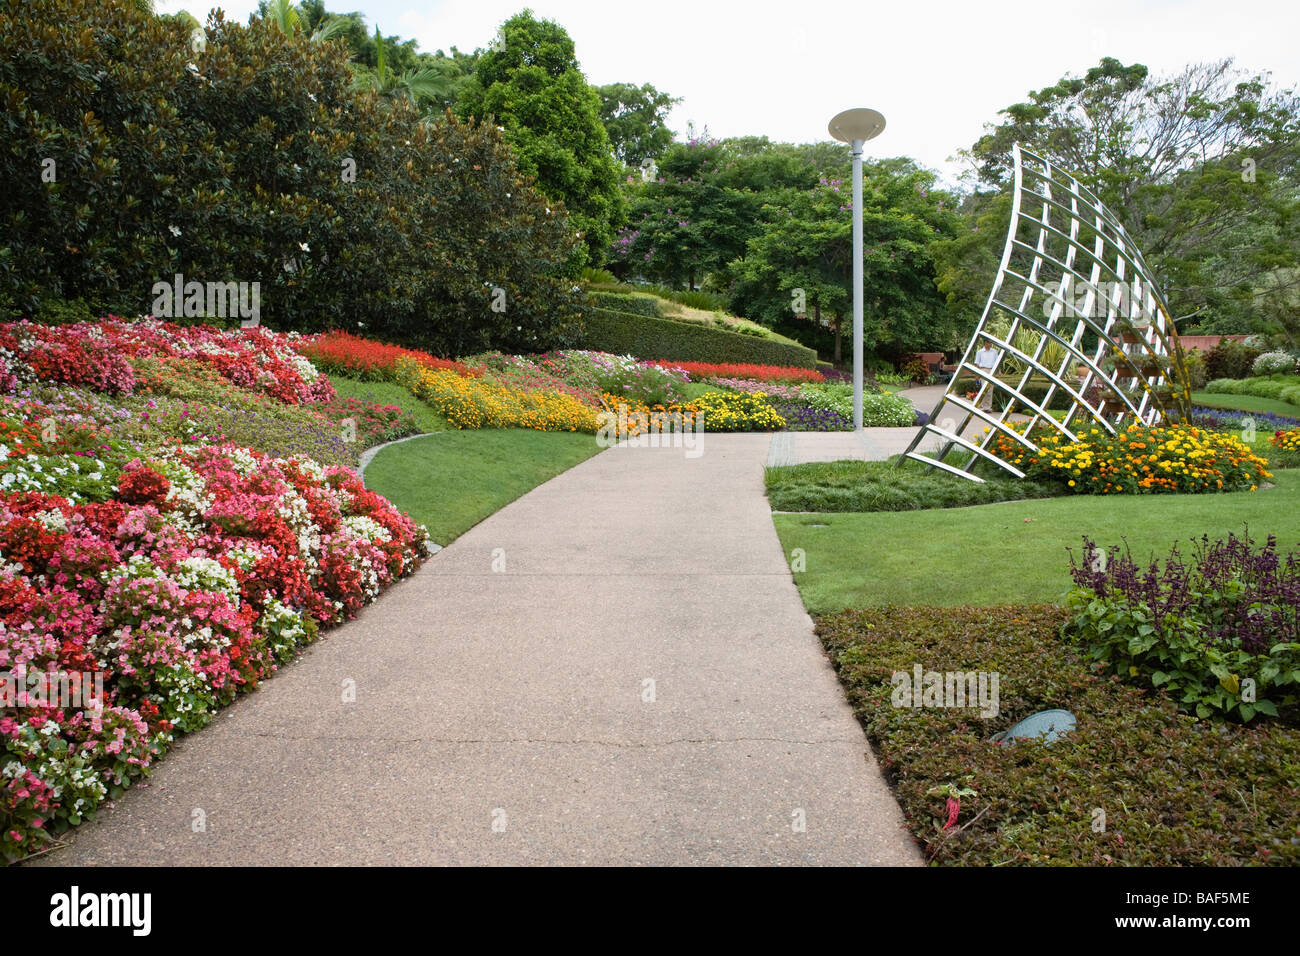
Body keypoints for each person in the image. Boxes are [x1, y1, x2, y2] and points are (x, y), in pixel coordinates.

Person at [972, 343, 999, 410]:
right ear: (985, 343)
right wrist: (977, 375)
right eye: (988, 343)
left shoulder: (994, 352)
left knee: (990, 389)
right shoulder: (980, 352)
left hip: (991, 370)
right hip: (983, 370)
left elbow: (997, 362)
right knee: (984, 388)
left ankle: (988, 406)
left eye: (990, 343)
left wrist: (999, 371)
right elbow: (977, 363)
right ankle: (982, 405)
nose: (989, 344)